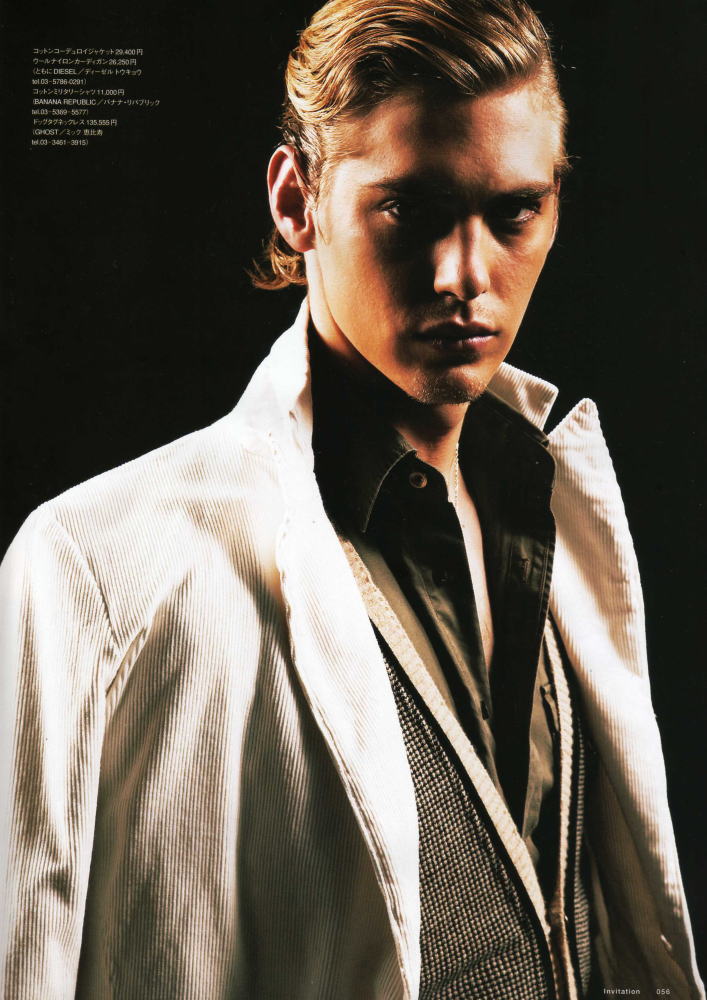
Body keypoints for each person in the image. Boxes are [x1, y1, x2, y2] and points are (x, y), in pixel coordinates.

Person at [0, 0, 703, 997]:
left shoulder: (551, 505)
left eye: (512, 212)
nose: (465, 275)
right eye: (409, 210)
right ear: (297, 201)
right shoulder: (100, 566)